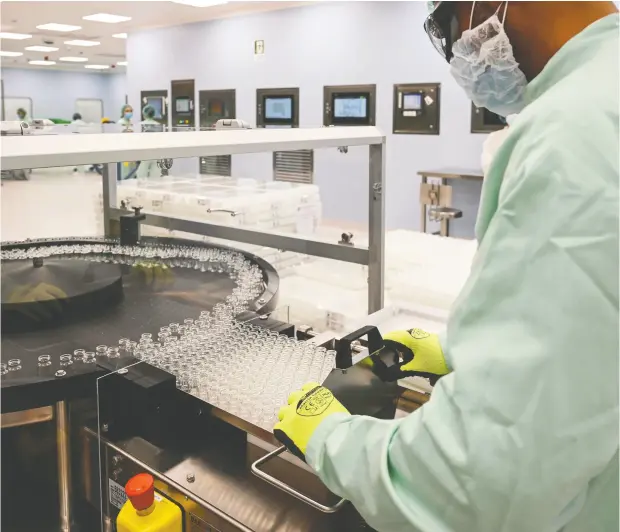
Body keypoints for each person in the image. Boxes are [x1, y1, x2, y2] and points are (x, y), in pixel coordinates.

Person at [275, 2, 619, 531]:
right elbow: (593, 342)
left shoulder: (571, 133)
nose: (461, 45)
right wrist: (470, 357)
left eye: (451, 23)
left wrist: (329, 437)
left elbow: (482, 485)